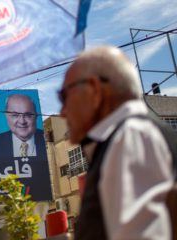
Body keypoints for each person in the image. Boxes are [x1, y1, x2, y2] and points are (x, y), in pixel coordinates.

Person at [60, 46, 175, 239]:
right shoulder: (131, 136)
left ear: (94, 89)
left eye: (64, 96)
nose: (63, 111)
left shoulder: (131, 137)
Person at [0, 94, 45, 160]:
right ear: (6, 116)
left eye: (28, 115)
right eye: (15, 115)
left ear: (36, 116)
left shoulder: (47, 140)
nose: (22, 121)